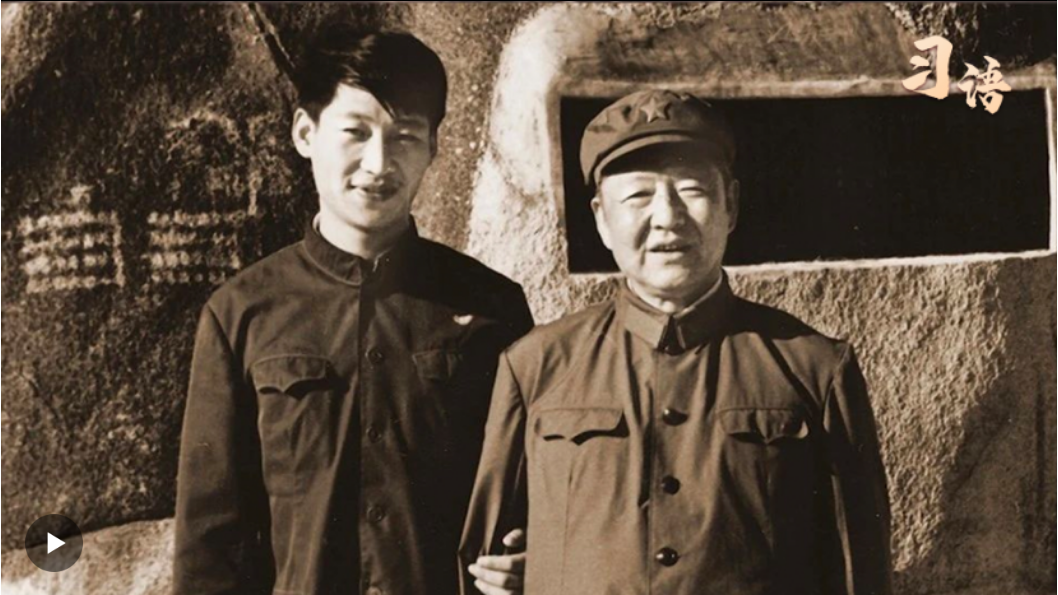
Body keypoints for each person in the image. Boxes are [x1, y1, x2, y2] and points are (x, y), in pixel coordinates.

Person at [459, 89, 893, 595]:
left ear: (730, 205)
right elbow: (486, 564)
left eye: (692, 190)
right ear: (601, 218)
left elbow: (859, 571)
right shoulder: (537, 365)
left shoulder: (814, 369)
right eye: (638, 197)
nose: (667, 217)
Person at [173, 25, 533, 595]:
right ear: (305, 133)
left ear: (433, 148)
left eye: (405, 136)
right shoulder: (241, 313)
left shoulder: (492, 307)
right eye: (355, 132)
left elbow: (533, 494)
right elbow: (212, 541)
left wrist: (530, 561)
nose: (378, 162)